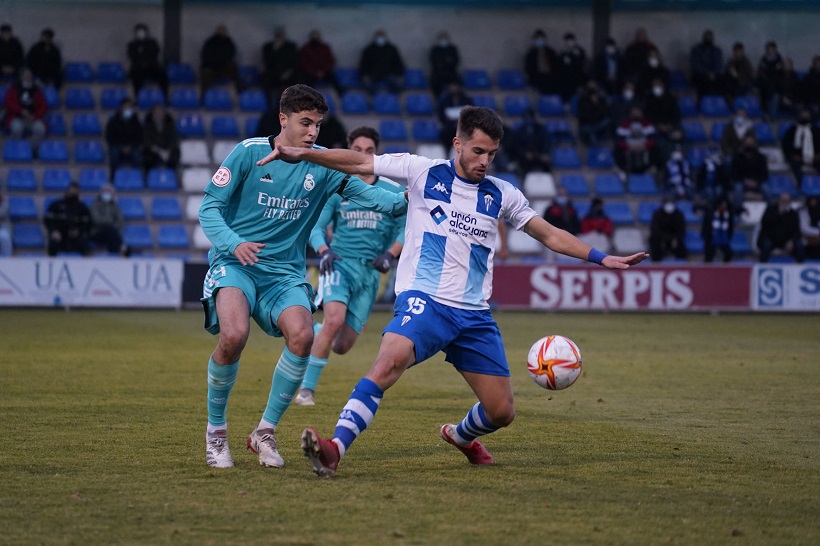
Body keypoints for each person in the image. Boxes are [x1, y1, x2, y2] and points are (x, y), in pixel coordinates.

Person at [256, 105, 648, 477]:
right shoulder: (422, 172)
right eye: (478, 151)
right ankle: (334, 450)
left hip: (474, 315)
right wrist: (301, 154)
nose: (484, 161)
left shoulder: (501, 193)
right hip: (424, 301)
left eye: (492, 154)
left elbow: (546, 233)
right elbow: (359, 162)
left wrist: (600, 257)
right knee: (388, 363)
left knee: (501, 412)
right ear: (458, 143)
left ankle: (459, 435)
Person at [198, 84, 408, 469]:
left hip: (284, 273)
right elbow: (209, 208)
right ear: (283, 119)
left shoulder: (325, 163)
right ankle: (216, 434)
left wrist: (412, 197)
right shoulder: (248, 153)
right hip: (236, 263)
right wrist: (234, 242)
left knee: (303, 335)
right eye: (305, 123)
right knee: (233, 335)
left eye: (318, 124)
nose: (313, 132)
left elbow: (376, 199)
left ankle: (264, 432)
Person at [294, 126, 406, 407]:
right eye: (357, 150)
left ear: (376, 153)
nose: (363, 155)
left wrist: (390, 254)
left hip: (370, 275)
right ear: (349, 150)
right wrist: (324, 251)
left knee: (342, 345)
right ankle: (306, 391)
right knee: (333, 318)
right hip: (339, 266)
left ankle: (315, 334)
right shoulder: (338, 187)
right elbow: (316, 227)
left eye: (369, 151)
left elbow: (407, 228)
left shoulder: (393, 191)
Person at [3, 68, 47, 150]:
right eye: (26, 74)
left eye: (29, 75)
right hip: (16, 117)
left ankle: (29, 148)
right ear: (21, 76)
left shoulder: (36, 89)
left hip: (32, 118)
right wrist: (21, 111)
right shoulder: (14, 88)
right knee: (17, 129)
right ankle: (15, 148)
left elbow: (43, 106)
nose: (28, 76)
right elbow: (8, 102)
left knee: (40, 130)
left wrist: (35, 116)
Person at [44, 182, 92, 257]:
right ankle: (52, 265)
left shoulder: (82, 208)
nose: (73, 192)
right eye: (71, 190)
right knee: (53, 243)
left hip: (76, 236)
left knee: (84, 244)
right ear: (67, 191)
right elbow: (48, 220)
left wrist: (79, 231)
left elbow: (88, 223)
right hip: (60, 235)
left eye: (75, 190)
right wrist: (53, 231)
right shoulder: (56, 205)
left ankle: (85, 266)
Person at [757, 192, 804, 263]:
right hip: (771, 239)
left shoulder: (793, 214)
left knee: (799, 245)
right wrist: (779, 214)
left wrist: (791, 241)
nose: (784, 203)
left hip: (786, 241)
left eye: (787, 201)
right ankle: (762, 265)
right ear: (779, 200)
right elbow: (765, 224)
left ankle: (799, 266)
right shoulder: (770, 209)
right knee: (766, 244)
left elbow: (797, 231)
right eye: (783, 201)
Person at [642, 77, 682, 160]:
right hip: (655, 128)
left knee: (680, 136)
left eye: (659, 85)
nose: (657, 87)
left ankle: (677, 161)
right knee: (659, 142)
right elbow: (647, 116)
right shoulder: (648, 100)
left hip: (670, 127)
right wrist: (658, 125)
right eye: (655, 85)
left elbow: (676, 115)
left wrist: (671, 125)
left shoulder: (670, 99)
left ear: (663, 86)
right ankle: (663, 162)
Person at [507, 108, 552, 179]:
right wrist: (525, 154)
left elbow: (547, 142)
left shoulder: (541, 129)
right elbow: (517, 146)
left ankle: (548, 184)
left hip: (540, 156)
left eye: (531, 117)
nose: (529, 120)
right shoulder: (519, 131)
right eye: (527, 117)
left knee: (547, 165)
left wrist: (545, 154)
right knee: (522, 166)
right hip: (525, 157)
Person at [297, 30, 344, 97]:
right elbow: (304, 63)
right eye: (314, 37)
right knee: (305, 82)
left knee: (334, 79)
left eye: (317, 36)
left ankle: (341, 96)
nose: (315, 38)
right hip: (311, 73)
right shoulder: (305, 49)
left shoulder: (325, 48)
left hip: (324, 72)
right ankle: (307, 98)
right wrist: (315, 72)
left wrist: (323, 71)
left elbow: (330, 61)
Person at [126, 23, 167, 99]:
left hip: (152, 67)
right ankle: (137, 98)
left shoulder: (152, 42)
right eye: (138, 32)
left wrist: (142, 52)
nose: (140, 34)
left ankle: (165, 97)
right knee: (136, 79)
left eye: (142, 31)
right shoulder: (132, 44)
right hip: (138, 68)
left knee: (163, 76)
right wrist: (143, 55)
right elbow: (132, 57)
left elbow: (154, 53)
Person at [358, 29, 405, 96]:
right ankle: (374, 100)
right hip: (373, 74)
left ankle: (393, 99)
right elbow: (363, 64)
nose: (380, 38)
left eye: (382, 36)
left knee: (398, 83)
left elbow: (398, 63)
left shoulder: (392, 49)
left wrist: (399, 74)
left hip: (389, 74)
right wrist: (364, 75)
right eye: (378, 36)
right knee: (367, 83)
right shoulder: (368, 50)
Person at [781, 108, 820, 188]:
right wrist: (792, 155)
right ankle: (801, 185)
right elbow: (786, 145)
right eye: (803, 113)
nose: (804, 115)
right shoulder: (792, 130)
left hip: (814, 157)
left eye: (806, 113)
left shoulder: (816, 130)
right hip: (796, 158)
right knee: (795, 167)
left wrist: (818, 155)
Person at [105, 98, 143, 177]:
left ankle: (137, 177)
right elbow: (110, 137)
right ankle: (113, 177)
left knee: (137, 155)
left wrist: (130, 146)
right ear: (121, 108)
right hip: (117, 146)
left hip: (132, 147)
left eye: (130, 107)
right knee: (113, 153)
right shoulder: (113, 121)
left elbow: (139, 137)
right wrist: (121, 147)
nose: (128, 109)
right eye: (126, 107)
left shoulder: (136, 122)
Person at [731, 135, 770, 212]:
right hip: (742, 181)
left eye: (751, 143)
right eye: (747, 143)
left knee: (766, 189)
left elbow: (764, 174)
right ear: (743, 144)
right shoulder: (737, 157)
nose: (749, 145)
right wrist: (744, 180)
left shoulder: (761, 157)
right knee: (738, 188)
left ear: (754, 144)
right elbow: (734, 173)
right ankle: (737, 211)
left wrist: (756, 181)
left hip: (757, 182)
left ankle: (770, 210)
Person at [614, 107, 658, 175]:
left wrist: (643, 146)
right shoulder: (624, 125)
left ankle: (649, 169)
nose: (636, 114)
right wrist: (629, 146)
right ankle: (623, 170)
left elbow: (652, 139)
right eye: (634, 112)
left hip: (643, 147)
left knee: (655, 148)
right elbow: (619, 140)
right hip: (629, 147)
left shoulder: (647, 124)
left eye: (638, 112)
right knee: (617, 149)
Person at [89, 183, 130, 256]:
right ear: (101, 193)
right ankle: (122, 248)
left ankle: (114, 254)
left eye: (108, 192)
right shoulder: (95, 205)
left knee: (111, 233)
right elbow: (96, 219)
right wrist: (110, 222)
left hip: (111, 234)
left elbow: (121, 221)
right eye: (105, 192)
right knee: (110, 229)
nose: (106, 194)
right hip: (97, 232)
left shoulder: (115, 206)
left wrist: (118, 232)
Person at [261, 26, 299, 104]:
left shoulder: (291, 46)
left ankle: (296, 104)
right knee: (266, 80)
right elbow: (267, 62)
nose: (279, 38)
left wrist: (288, 72)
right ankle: (270, 105)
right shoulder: (268, 47)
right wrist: (274, 50)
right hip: (274, 73)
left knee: (299, 79)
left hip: (289, 73)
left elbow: (295, 62)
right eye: (277, 36)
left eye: (281, 35)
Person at [200, 25, 241, 95]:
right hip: (211, 68)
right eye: (220, 30)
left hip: (223, 67)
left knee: (233, 65)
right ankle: (204, 95)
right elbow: (205, 56)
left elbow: (231, 55)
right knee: (206, 72)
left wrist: (220, 60)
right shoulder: (209, 42)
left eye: (224, 31)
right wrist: (217, 60)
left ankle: (240, 90)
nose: (222, 32)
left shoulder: (229, 42)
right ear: (217, 31)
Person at [437, 82, 473, 154]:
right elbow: (441, 114)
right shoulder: (444, 100)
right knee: (446, 133)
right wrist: (452, 124)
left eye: (455, 86)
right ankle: (447, 153)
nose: (454, 88)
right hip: (449, 127)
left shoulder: (466, 99)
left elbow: (472, 113)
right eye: (452, 86)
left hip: (464, 126)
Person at [142, 103, 179, 171]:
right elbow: (146, 138)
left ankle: (171, 175)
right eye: (157, 112)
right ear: (153, 113)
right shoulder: (148, 123)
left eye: (160, 111)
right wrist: (154, 148)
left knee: (175, 155)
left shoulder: (169, 123)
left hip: (166, 148)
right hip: (153, 148)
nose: (159, 113)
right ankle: (149, 177)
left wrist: (169, 150)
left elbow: (173, 138)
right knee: (146, 156)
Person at [689, 29, 723, 104]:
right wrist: (707, 73)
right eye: (707, 37)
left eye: (710, 37)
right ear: (703, 38)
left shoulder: (717, 50)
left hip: (714, 76)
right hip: (700, 75)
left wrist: (713, 73)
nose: (708, 39)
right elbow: (695, 65)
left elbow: (719, 64)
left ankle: (718, 104)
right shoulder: (696, 50)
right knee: (703, 82)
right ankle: (702, 104)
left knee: (723, 81)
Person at [577, 79, 612, 146]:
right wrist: (592, 105)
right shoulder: (583, 100)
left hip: (598, 123)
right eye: (590, 84)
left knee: (608, 121)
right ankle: (593, 144)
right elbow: (585, 114)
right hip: (586, 124)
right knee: (587, 130)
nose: (592, 86)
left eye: (594, 84)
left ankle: (605, 140)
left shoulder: (601, 99)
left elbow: (605, 112)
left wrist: (597, 104)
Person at [701, 194, 735, 263]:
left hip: (723, 238)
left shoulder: (728, 214)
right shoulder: (710, 213)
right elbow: (705, 228)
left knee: (729, 253)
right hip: (711, 238)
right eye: (723, 204)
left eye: (725, 204)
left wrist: (727, 237)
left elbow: (730, 228)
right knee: (709, 254)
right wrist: (707, 238)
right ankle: (707, 269)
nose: (724, 206)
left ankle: (726, 269)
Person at [524, 29, 558, 95]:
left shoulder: (551, 52)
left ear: (545, 39)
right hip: (537, 77)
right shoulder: (530, 54)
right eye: (538, 39)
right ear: (534, 40)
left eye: (541, 39)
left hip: (550, 76)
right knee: (543, 84)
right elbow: (528, 68)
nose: (540, 41)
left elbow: (556, 66)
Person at [556, 32, 587, 102]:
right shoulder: (563, 53)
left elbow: (582, 64)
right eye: (567, 41)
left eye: (571, 41)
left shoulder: (580, 51)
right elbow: (560, 66)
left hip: (578, 77)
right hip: (566, 79)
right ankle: (567, 107)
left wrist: (576, 55)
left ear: (574, 41)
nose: (569, 43)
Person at [757, 41, 784, 119]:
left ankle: (770, 115)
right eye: (768, 49)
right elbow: (761, 70)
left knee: (774, 95)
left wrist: (769, 70)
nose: (769, 51)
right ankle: (765, 112)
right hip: (765, 83)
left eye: (771, 49)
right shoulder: (763, 59)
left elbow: (777, 71)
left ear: (775, 50)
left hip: (776, 85)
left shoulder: (779, 59)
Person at [429, 30, 460, 97]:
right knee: (435, 84)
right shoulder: (435, 49)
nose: (443, 40)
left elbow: (456, 61)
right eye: (441, 38)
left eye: (445, 37)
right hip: (438, 74)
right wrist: (446, 61)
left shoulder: (452, 49)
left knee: (455, 85)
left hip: (451, 74)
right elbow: (434, 62)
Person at [799, 196, 820, 260]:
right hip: (807, 238)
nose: (813, 203)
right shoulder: (803, 211)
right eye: (811, 200)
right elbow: (804, 228)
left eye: (815, 200)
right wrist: (818, 233)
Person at [0, 192, 12, 257]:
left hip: (3, 228)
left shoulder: (5, 204)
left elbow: (1, 213)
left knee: (4, 237)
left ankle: (7, 258)